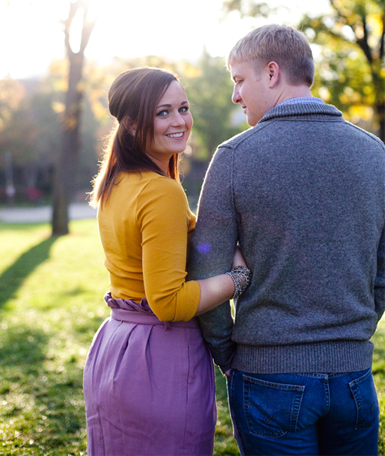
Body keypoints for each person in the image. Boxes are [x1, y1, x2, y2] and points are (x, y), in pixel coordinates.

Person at [189, 24, 385, 455]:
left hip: (266, 378)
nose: (235, 96)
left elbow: (206, 269)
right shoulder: (375, 154)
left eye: (239, 80)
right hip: (354, 380)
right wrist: (353, 334)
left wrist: (230, 354)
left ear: (272, 73)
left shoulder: (234, 157)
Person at [84, 66, 251, 456]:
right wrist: (238, 277)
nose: (179, 121)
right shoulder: (160, 192)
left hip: (116, 347)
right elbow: (169, 302)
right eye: (163, 112)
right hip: (158, 359)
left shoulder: (116, 181)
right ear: (130, 123)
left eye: (183, 108)